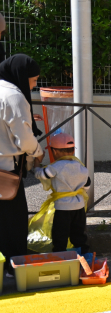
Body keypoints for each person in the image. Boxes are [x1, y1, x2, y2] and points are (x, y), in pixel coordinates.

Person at [0, 54, 44, 277]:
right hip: (7, 168)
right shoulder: (13, 95)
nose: (35, 85)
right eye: (34, 79)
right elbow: (24, 138)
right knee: (13, 220)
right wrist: (38, 151)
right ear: (21, 75)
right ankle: (13, 265)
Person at [28, 131, 91, 254]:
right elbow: (87, 185)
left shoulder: (55, 167)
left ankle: (60, 257)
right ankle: (85, 257)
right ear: (73, 151)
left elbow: (40, 175)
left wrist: (36, 164)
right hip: (79, 207)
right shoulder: (81, 167)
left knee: (60, 235)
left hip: (63, 208)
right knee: (79, 235)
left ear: (55, 151)